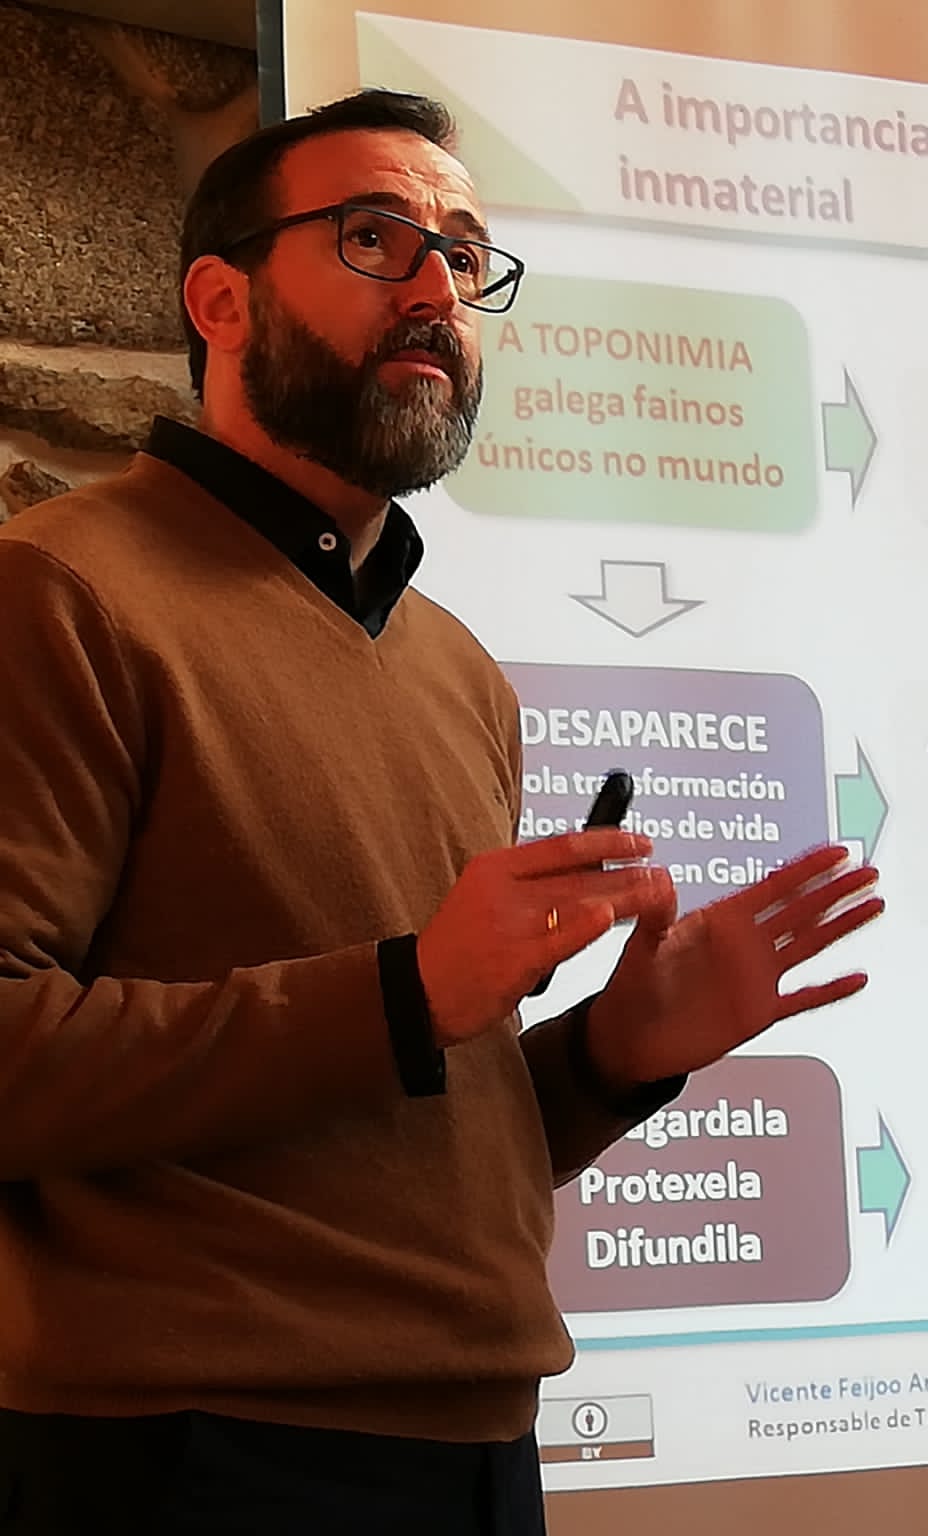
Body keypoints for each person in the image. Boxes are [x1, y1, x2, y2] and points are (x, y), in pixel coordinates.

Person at [0, 90, 883, 1534]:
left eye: (464, 256)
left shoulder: (458, 669)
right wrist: (408, 989)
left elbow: (408, 1121)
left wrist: (612, 1054)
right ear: (220, 301)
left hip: (476, 1445)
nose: (434, 289)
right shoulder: (63, 591)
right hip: (188, 1455)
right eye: (374, 238)